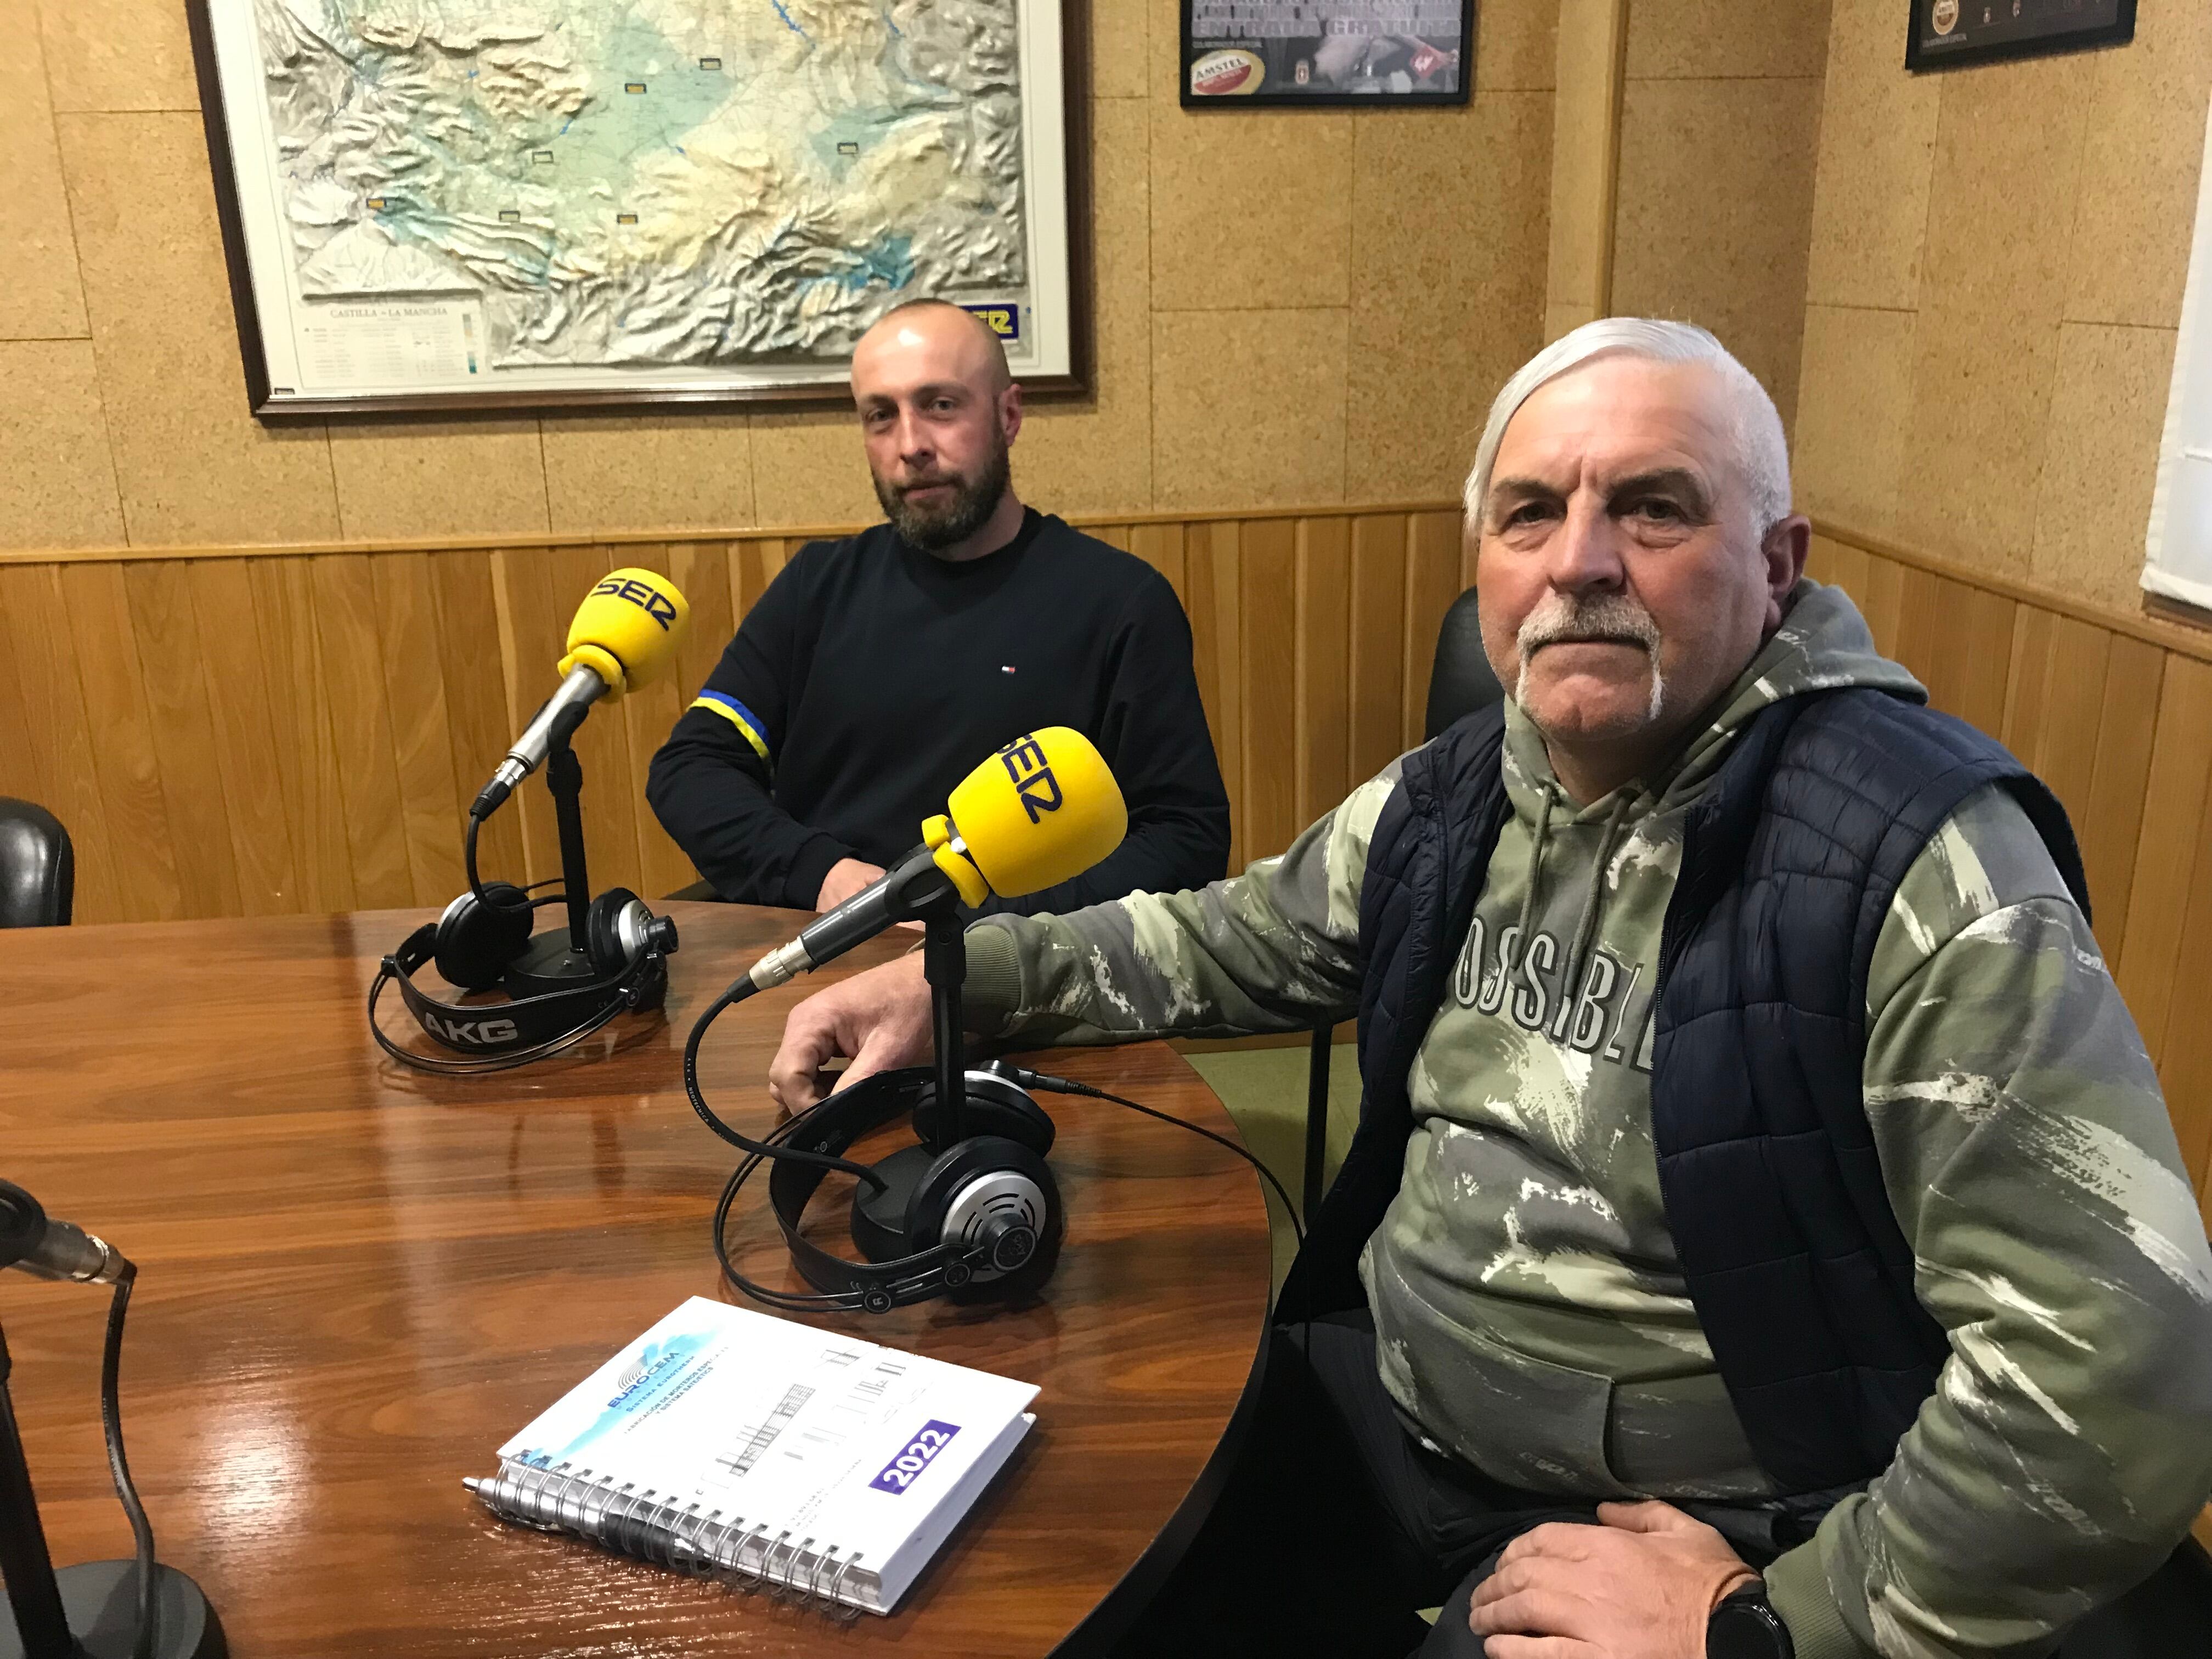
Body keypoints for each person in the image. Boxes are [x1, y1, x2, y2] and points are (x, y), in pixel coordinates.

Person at [764, 319, 2212, 1658]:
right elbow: (1242, 937)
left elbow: (2118, 1377)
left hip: (1690, 1534)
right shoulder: (1462, 791)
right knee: (1050, 1536)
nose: (1581, 560)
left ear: (1778, 564)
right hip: (1396, 1410)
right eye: (1531, 513)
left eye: (1652, 507)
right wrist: (957, 982)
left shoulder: (1918, 863)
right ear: (1483, 566)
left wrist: (1777, 1619)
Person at [647, 298, 1230, 918]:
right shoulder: (816, 587)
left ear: (1008, 416)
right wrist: (821, 873)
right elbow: (693, 766)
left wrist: (991, 939)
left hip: (1026, 980)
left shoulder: (1121, 603)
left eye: (940, 406)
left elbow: (1184, 840)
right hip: (830, 953)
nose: (910, 445)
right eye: (880, 416)